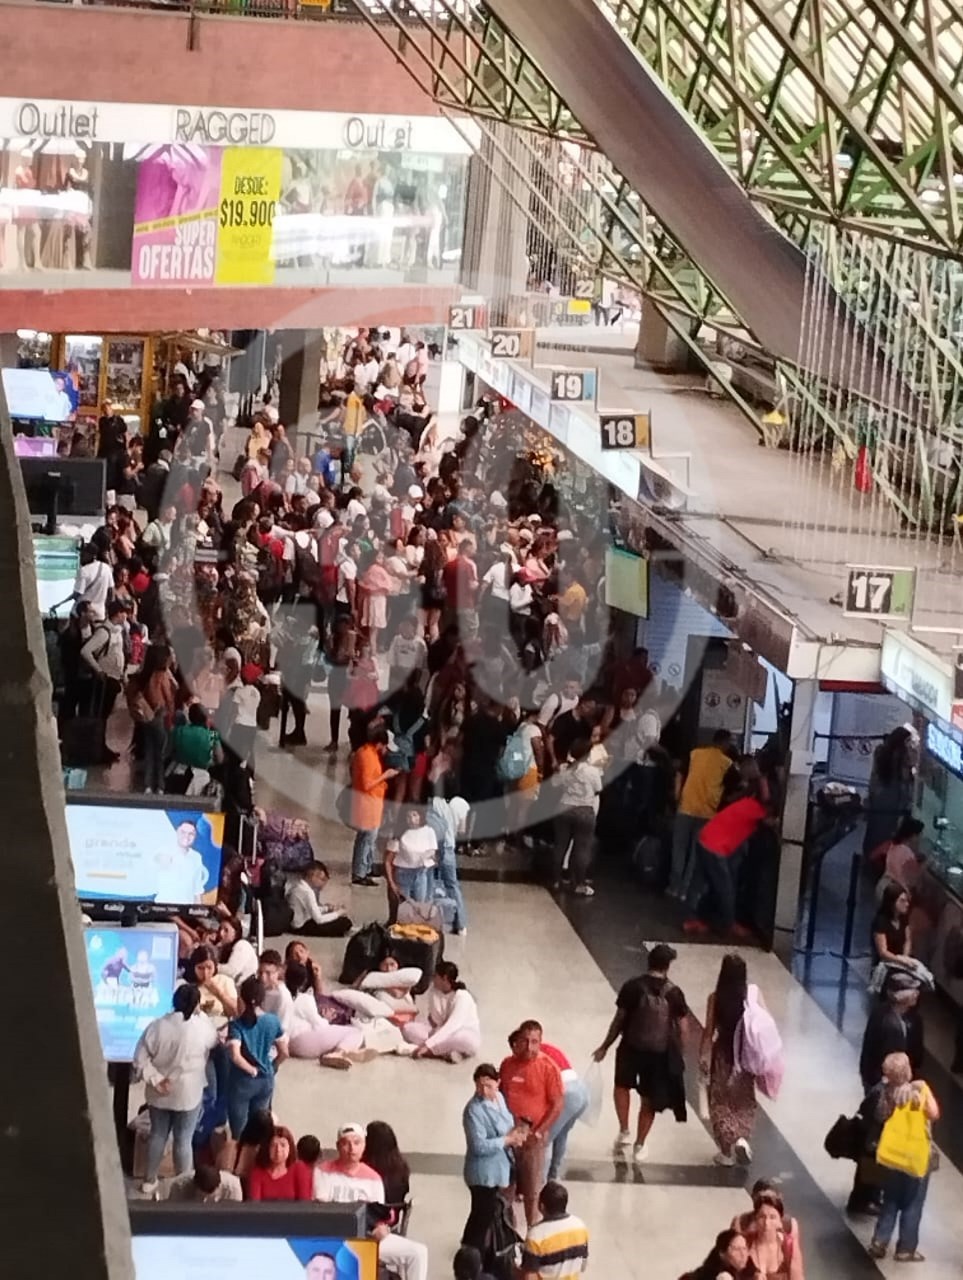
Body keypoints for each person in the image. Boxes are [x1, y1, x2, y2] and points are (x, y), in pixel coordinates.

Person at [593, 942, 689, 1163]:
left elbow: (619, 1020)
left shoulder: (632, 987)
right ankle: (640, 1144)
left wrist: (605, 1046)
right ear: (668, 966)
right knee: (649, 1100)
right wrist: (679, 1054)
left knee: (622, 1086)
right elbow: (684, 1028)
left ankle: (624, 1130)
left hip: (630, 1047)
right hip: (659, 1054)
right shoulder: (674, 993)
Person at [313, 1122, 429, 1280]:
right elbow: (321, 1211)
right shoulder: (322, 1171)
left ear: (364, 1146)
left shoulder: (373, 1178)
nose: (351, 1148)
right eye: (346, 1143)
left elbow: (379, 1215)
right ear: (338, 1146)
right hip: (331, 1237)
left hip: (367, 1238)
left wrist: (382, 1227)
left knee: (418, 1252)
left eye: (356, 1143)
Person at [133, 983, 218, 1193]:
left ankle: (149, 1180)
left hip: (159, 1092)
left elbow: (139, 1059)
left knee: (158, 1134)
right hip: (188, 1092)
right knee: (183, 1139)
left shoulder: (157, 1026)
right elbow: (214, 1041)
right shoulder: (201, 1027)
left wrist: (156, 1079)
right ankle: (185, 1182)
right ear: (197, 1004)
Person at [864, 1052, 939, 1262]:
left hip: (892, 1156)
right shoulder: (920, 1089)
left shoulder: (886, 1093)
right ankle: (906, 1248)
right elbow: (934, 1114)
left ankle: (879, 1241)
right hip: (916, 1156)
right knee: (913, 1203)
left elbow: (879, 1117)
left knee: (890, 1199)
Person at [685, 778, 772, 938]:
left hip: (705, 837)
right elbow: (772, 821)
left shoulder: (747, 802)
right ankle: (729, 924)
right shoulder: (757, 810)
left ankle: (691, 920)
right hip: (715, 846)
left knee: (699, 881)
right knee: (725, 887)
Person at [499, 1020, 565, 1227]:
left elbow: (557, 1104)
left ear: (540, 1042)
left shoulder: (548, 1068)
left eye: (534, 1042)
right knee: (505, 1188)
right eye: (525, 1041)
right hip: (510, 1137)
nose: (529, 1047)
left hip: (533, 1141)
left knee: (532, 1191)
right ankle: (506, 1233)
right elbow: (501, 1096)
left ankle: (532, 1232)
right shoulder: (507, 1065)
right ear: (518, 1041)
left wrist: (538, 1133)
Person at [700, 953, 758, 1166]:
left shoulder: (715, 998)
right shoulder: (752, 997)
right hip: (746, 1056)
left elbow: (708, 1031)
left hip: (723, 1054)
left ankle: (725, 1152)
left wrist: (703, 1056)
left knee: (720, 1100)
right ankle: (742, 1138)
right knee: (744, 1100)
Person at [461, 1062, 524, 1253]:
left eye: (488, 1085)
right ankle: (470, 1251)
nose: (483, 1090)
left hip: (500, 1167)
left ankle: (477, 1249)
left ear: (498, 1083)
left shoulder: (500, 1099)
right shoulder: (474, 1110)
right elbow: (478, 1145)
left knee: (486, 1214)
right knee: (481, 1215)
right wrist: (506, 1140)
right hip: (483, 1174)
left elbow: (506, 1123)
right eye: (479, 1085)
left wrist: (516, 1135)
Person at [669, 730, 735, 901]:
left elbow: (679, 774)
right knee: (695, 856)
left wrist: (677, 796)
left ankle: (674, 887)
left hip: (686, 807)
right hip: (708, 813)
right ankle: (685, 891)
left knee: (679, 850)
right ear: (725, 743)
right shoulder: (727, 763)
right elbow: (734, 788)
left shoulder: (695, 754)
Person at [224, 975, 288, 1138]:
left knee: (239, 1133)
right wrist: (271, 1068)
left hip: (242, 1082)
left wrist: (251, 1070)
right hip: (266, 1080)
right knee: (260, 1130)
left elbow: (235, 1056)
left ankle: (240, 1159)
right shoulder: (273, 1021)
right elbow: (284, 1053)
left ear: (242, 999)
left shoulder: (237, 1026)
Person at [550, 737, 602, 896]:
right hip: (584, 811)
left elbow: (554, 784)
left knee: (560, 845)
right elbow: (598, 789)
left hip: (564, 809)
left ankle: (556, 880)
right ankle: (578, 883)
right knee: (581, 848)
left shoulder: (565, 768)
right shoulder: (592, 771)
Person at [859, 971, 924, 1091]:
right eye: (912, 990)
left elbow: (917, 1052)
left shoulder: (914, 1019)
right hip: (883, 1081)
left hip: (897, 1078)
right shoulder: (886, 1022)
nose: (916, 994)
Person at [350, 722, 397, 886]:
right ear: (379, 743)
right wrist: (386, 775)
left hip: (372, 803)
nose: (386, 751)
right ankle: (360, 872)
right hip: (367, 804)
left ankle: (366, 867)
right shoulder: (367, 756)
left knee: (368, 839)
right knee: (366, 839)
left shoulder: (368, 753)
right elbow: (367, 784)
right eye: (385, 747)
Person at [404, 961, 482, 1062]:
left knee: (464, 1039)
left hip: (460, 1034)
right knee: (408, 1028)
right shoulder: (434, 991)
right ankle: (448, 1053)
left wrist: (428, 1045)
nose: (433, 979)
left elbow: (452, 1025)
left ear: (444, 978)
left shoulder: (462, 996)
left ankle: (425, 1051)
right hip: (441, 1032)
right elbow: (436, 1021)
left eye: (435, 976)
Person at [539, 1041, 589, 1182]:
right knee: (561, 1134)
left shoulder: (533, 1056)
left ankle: (539, 1182)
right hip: (581, 1091)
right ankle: (554, 1176)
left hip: (566, 1093)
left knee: (543, 1140)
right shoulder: (547, 1048)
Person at [519, 1181, 589, 1280]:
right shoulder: (580, 1226)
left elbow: (530, 1276)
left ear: (541, 1206)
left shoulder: (536, 1235)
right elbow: (583, 1266)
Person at [864, 726, 916, 856]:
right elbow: (906, 781)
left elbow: (874, 778)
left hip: (879, 797)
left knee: (875, 830)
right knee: (887, 832)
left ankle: (870, 857)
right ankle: (882, 858)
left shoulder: (881, 752)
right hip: (894, 800)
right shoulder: (902, 758)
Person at [743, 1189, 804, 1280]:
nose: (766, 1223)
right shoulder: (744, 1243)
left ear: (780, 1222)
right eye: (762, 1217)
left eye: (772, 1217)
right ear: (755, 1219)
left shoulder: (789, 1246)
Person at [286, 860, 353, 937]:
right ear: (313, 876)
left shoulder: (298, 886)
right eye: (322, 879)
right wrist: (338, 913)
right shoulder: (307, 892)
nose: (323, 884)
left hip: (297, 923)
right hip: (301, 927)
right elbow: (319, 919)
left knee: (335, 918)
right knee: (344, 922)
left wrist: (327, 909)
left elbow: (311, 909)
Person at [247, 1124, 313, 1201]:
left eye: (283, 1145)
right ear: (267, 1149)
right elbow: (254, 1207)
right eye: (273, 1145)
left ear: (290, 1148)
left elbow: (305, 1205)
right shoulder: (257, 1172)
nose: (278, 1150)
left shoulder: (300, 1169)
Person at [684, 1230, 758, 1280]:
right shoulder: (723, 1276)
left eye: (744, 1248)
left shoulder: (748, 1267)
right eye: (736, 1249)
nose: (743, 1254)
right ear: (722, 1253)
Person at [165, 1163, 243, 1202]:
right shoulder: (179, 1186)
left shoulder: (233, 1188)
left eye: (209, 1195)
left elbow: (235, 1217)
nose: (205, 1200)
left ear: (218, 1186)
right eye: (201, 1195)